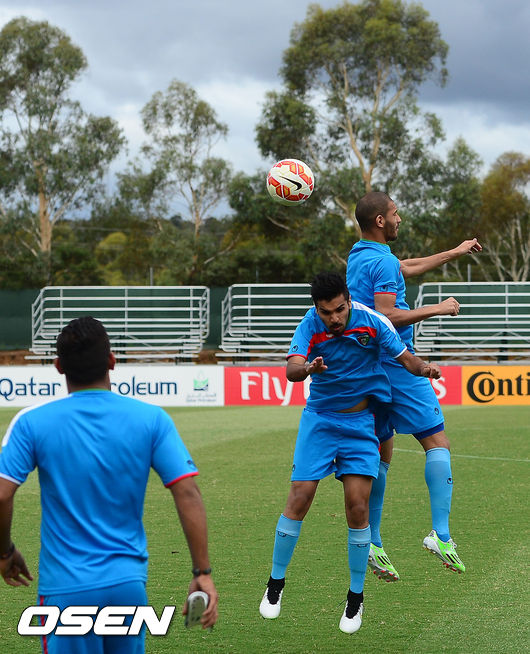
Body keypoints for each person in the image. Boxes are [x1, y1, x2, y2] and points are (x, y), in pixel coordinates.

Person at [0, 316, 218, 654]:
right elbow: (187, 491)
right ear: (112, 361)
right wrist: (202, 572)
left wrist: (5, 551)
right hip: (127, 585)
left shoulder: (31, 422)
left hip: (67, 589)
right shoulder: (152, 419)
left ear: (58, 367)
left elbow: (2, 496)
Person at [259, 272, 442, 634]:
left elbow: (406, 359)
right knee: (300, 496)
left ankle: (355, 597)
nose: (335, 318)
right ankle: (275, 583)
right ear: (317, 309)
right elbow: (291, 369)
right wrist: (307, 368)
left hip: (360, 425)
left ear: (348, 300)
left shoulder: (373, 321)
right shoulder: (309, 325)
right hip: (320, 421)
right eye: (326, 312)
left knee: (358, 506)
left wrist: (425, 369)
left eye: (340, 309)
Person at [347, 191, 482, 581]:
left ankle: (373, 542)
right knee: (437, 442)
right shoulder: (383, 261)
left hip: (364, 365)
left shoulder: (360, 255)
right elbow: (387, 314)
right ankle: (441, 535)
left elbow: (403, 266)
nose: (399, 218)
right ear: (380, 221)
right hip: (396, 362)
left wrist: (454, 252)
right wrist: (439, 308)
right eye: (395, 213)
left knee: (382, 451)